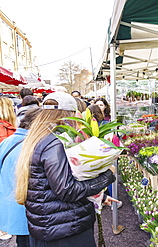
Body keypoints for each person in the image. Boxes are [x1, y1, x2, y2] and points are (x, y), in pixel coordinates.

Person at [15, 92, 117, 246]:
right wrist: (108, 175)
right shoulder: (55, 142)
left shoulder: (38, 137)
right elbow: (67, 190)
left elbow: (50, 184)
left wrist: (99, 197)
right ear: (68, 115)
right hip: (65, 229)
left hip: (50, 225)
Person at [0, 107, 42, 247]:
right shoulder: (35, 145)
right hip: (31, 211)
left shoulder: (8, 141)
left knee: (22, 242)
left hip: (11, 207)